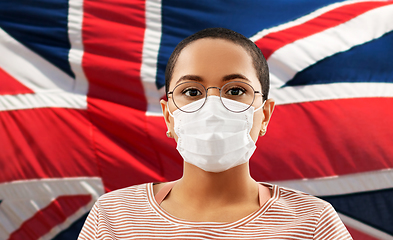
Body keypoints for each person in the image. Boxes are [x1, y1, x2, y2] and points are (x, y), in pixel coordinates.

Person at [78, 28, 352, 239]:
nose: (211, 108)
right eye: (192, 92)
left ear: (265, 114)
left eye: (235, 91)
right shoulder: (114, 217)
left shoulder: (313, 222)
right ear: (168, 115)